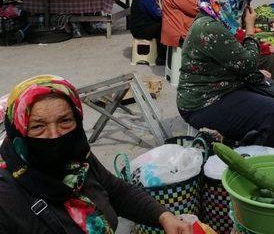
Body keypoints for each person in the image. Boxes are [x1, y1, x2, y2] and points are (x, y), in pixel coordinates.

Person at [0, 75, 190, 233]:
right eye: (38, 126)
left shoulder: (77, 159)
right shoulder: (6, 196)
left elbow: (114, 190)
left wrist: (163, 216)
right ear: (18, 130)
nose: (54, 135)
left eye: (65, 120)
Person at [178, 0, 274, 154]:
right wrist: (250, 29)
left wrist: (258, 74)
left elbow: (239, 63)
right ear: (226, 0)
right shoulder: (210, 27)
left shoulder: (215, 20)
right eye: (242, 2)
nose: (244, 8)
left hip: (223, 89)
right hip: (204, 103)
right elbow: (248, 63)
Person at [130, 0, 167, 65]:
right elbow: (157, 14)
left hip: (138, 26)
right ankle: (162, 57)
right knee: (164, 27)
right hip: (140, 29)